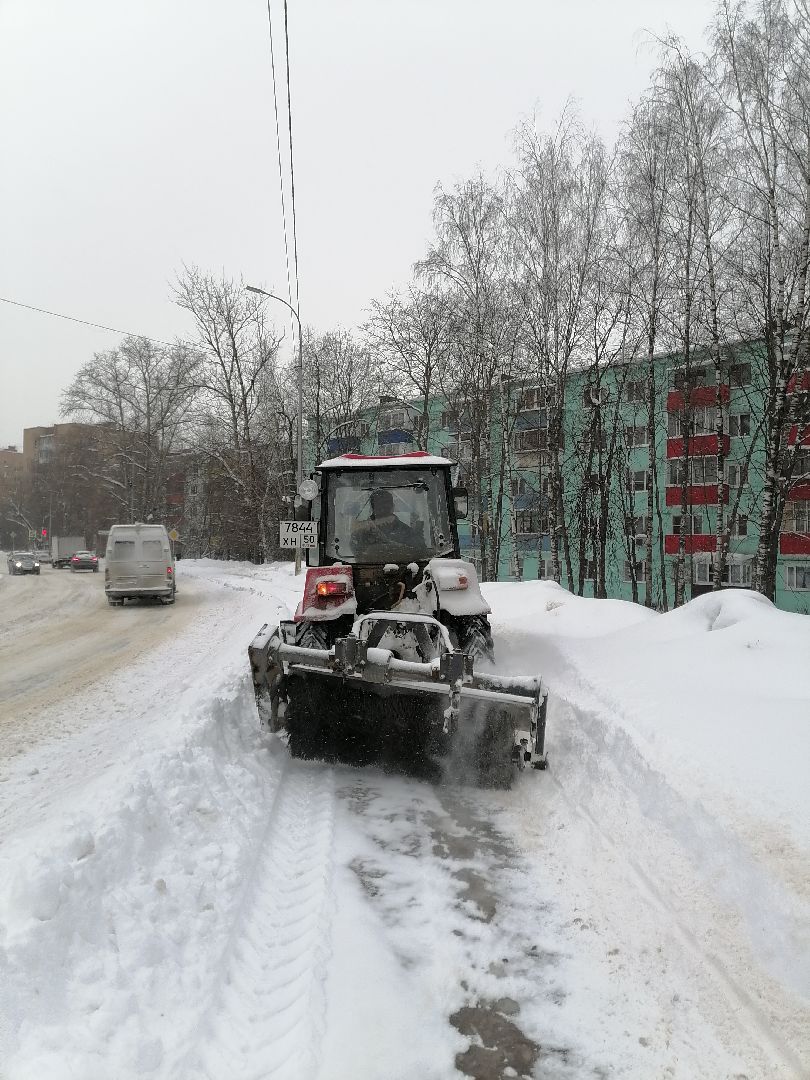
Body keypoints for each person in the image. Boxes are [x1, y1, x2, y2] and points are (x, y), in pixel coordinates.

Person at [352, 488, 425, 552]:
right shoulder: (362, 533)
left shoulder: (407, 532)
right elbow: (357, 553)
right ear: (373, 509)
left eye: (386, 507)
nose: (383, 510)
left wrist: (386, 541)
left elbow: (419, 552)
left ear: (392, 507)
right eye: (379, 507)